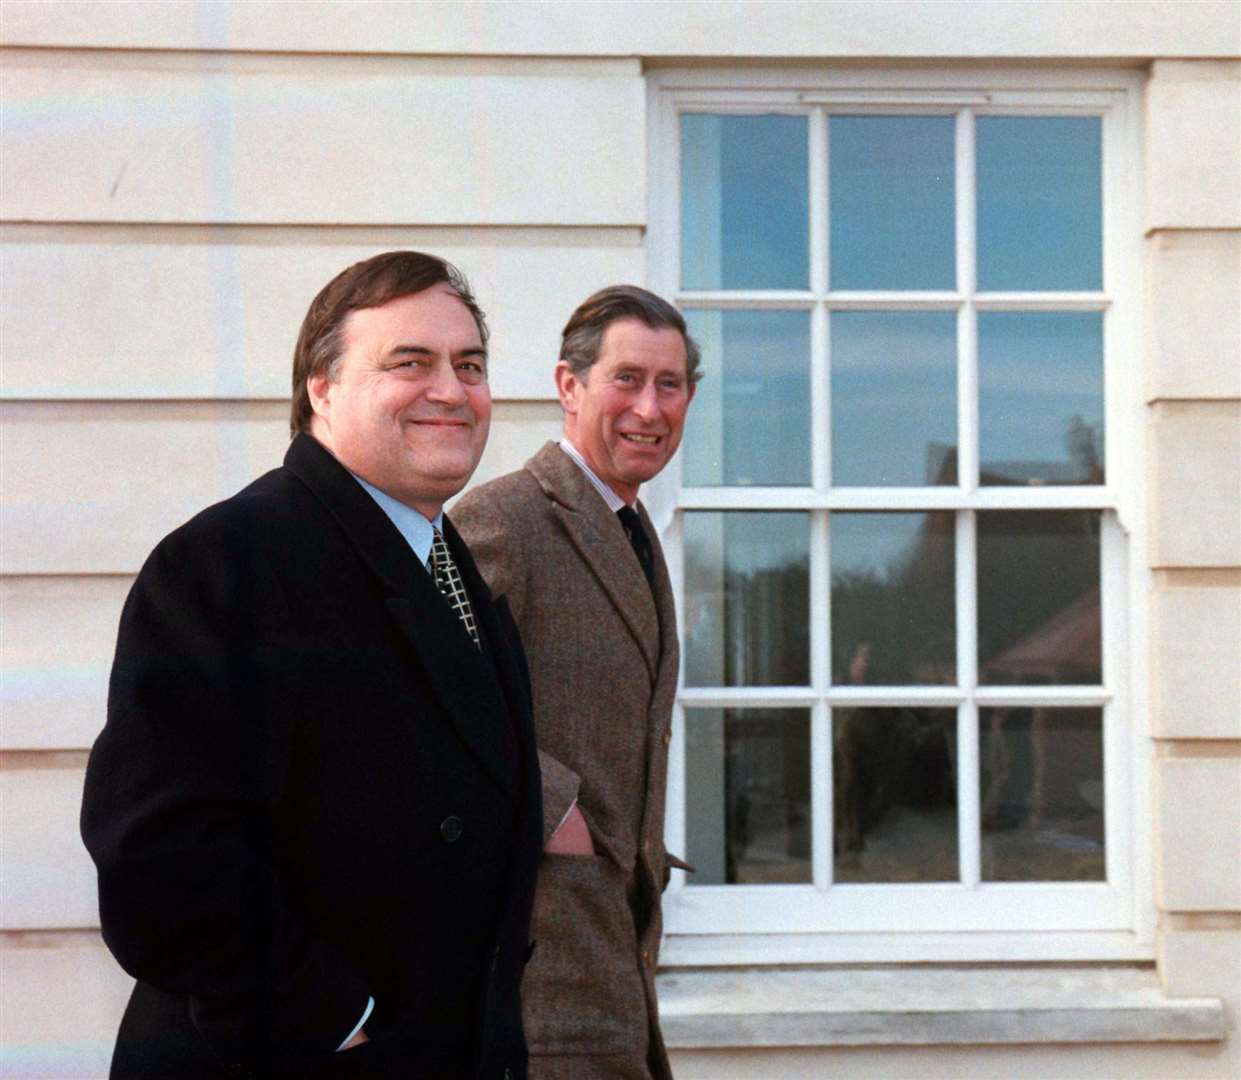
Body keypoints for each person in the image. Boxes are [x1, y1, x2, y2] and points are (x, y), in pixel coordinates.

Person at [81, 251, 542, 1080]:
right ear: (319, 389)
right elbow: (160, 863)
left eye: (469, 365)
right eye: (410, 362)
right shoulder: (230, 559)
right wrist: (342, 1022)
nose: (452, 389)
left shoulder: (446, 561)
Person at [453, 285, 699, 1079]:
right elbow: (420, 695)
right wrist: (552, 807)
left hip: (615, 965)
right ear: (569, 385)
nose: (650, 408)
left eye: (671, 384)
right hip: (539, 973)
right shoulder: (505, 518)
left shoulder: (635, 530)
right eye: (627, 379)